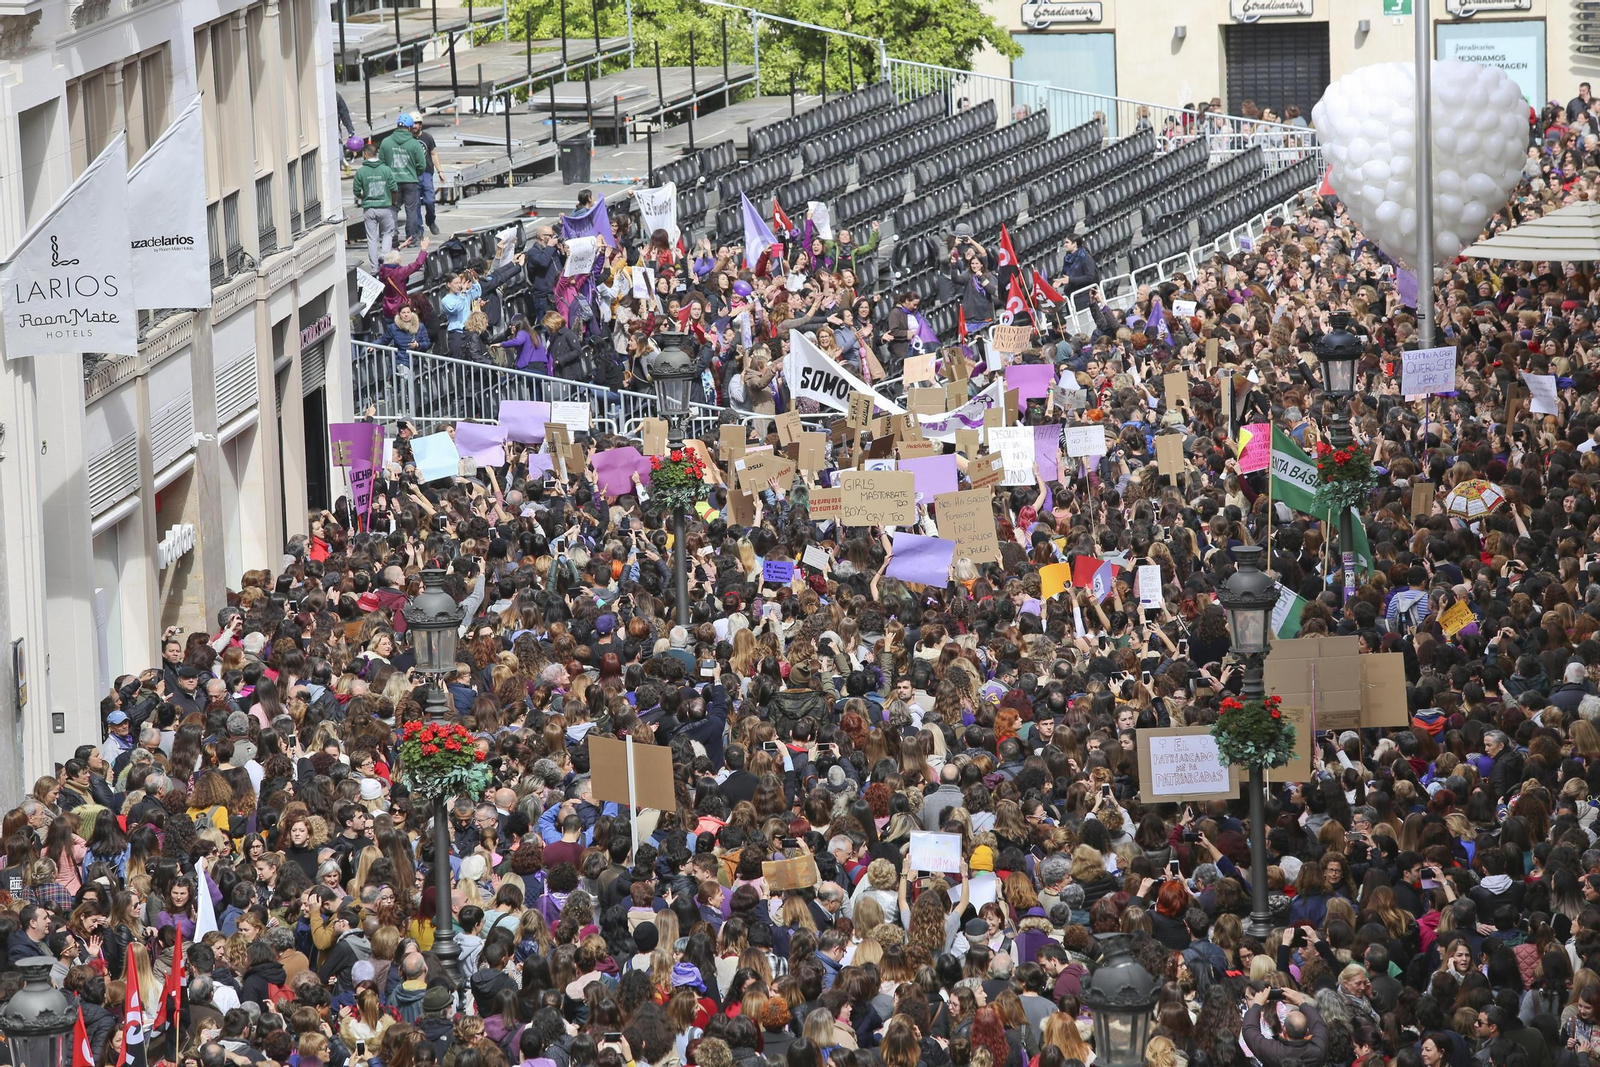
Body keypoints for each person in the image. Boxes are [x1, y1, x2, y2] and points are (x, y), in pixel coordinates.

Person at [379, 114, 427, 247]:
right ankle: (411, 239)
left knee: (392, 209)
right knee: (411, 210)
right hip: (410, 181)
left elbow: (382, 163)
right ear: (410, 128)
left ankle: (393, 237)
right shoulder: (414, 144)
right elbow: (422, 165)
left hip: (392, 182)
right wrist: (414, 173)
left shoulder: (386, 142)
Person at [352, 142, 398, 272]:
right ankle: (384, 255)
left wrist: (364, 197)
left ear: (365, 155)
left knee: (372, 238)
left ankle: (374, 269)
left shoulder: (361, 172)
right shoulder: (386, 169)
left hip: (369, 209)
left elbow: (356, 191)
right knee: (388, 233)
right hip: (385, 207)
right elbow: (394, 188)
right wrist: (392, 202)